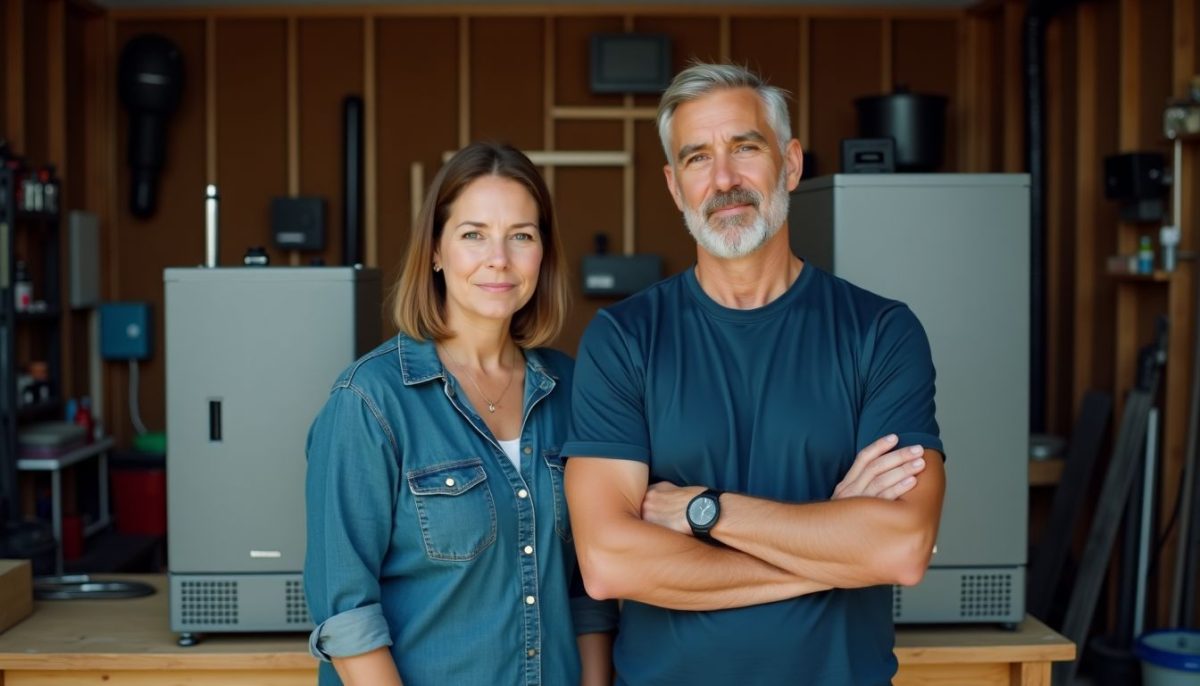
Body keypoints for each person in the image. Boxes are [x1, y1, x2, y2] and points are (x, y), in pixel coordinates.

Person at [562, 62, 946, 685]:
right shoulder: (626, 338)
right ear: (673, 184)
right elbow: (609, 563)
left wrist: (704, 512)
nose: (724, 180)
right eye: (696, 158)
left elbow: (899, 548)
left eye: (745, 147)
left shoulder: (880, 333)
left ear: (790, 164)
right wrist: (833, 542)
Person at [305, 141, 617, 686]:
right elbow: (347, 616)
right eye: (474, 234)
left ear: (542, 252)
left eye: (521, 235)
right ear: (435, 252)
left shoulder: (571, 391)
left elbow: (586, 593)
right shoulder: (369, 402)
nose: (499, 258)